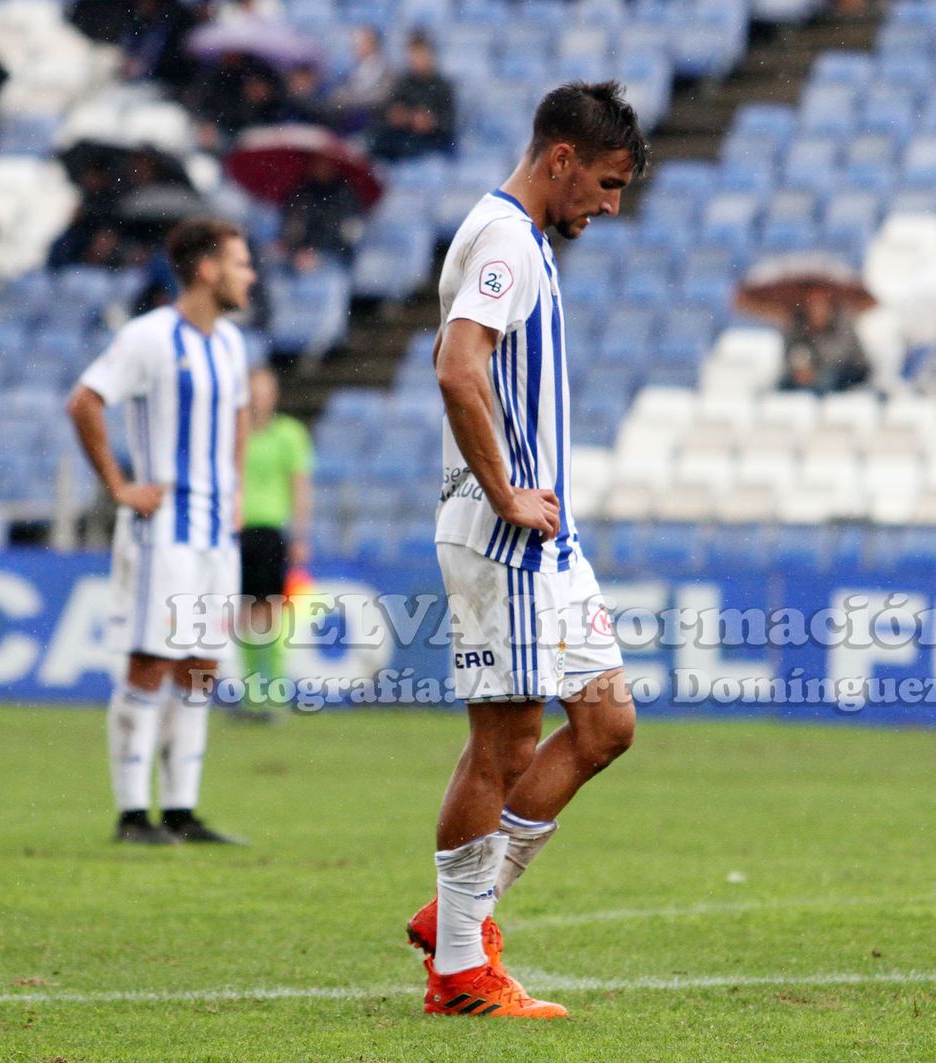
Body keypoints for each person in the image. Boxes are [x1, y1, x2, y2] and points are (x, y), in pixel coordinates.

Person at [407, 81, 648, 1019]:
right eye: (607, 181)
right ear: (561, 160)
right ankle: (462, 971)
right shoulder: (506, 239)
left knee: (605, 725)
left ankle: (456, 917)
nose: (611, 204)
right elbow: (457, 366)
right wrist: (506, 490)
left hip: (550, 534)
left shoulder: (527, 240)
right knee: (502, 744)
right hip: (505, 528)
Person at [65, 218, 256, 846]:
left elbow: (236, 418)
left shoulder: (230, 343)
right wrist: (120, 485)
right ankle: (130, 814)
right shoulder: (148, 338)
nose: (250, 275)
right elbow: (85, 400)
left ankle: (180, 810)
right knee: (150, 660)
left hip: (212, 532)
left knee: (201, 666)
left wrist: (236, 489)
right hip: (162, 528)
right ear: (207, 269)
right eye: (240, 263)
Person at [236, 367, 313, 712]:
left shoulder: (289, 434)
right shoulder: (235, 434)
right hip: (237, 532)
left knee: (271, 612)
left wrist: (299, 534)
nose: (258, 398)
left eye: (264, 391)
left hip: (270, 532)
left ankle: (275, 691)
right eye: (254, 391)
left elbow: (299, 487)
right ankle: (252, 695)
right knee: (243, 613)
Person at [370, 32, 456, 161]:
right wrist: (399, 116)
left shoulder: (442, 86)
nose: (417, 60)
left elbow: (449, 123)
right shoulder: (403, 82)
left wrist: (431, 122)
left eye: (421, 54)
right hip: (402, 135)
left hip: (430, 140)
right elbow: (389, 111)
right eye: (414, 55)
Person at [779, 287, 872, 393]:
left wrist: (814, 369)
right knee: (785, 383)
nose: (816, 308)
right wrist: (799, 368)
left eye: (819, 303)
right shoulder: (798, 325)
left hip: (851, 369)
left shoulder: (843, 320)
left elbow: (839, 355)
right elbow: (791, 351)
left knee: (827, 379)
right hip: (814, 374)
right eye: (811, 304)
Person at [279, 158, 364, 269]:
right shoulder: (301, 192)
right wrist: (297, 246)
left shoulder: (344, 194)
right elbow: (292, 223)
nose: (322, 168)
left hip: (335, 254)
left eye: (326, 164)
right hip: (302, 256)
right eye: (317, 164)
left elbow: (350, 228)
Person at [332, 26, 394, 131]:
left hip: (373, 123)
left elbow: (380, 97)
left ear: (372, 44)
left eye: (359, 42)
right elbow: (338, 96)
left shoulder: (387, 71)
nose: (354, 46)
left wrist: (350, 101)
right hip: (350, 120)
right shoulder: (355, 69)